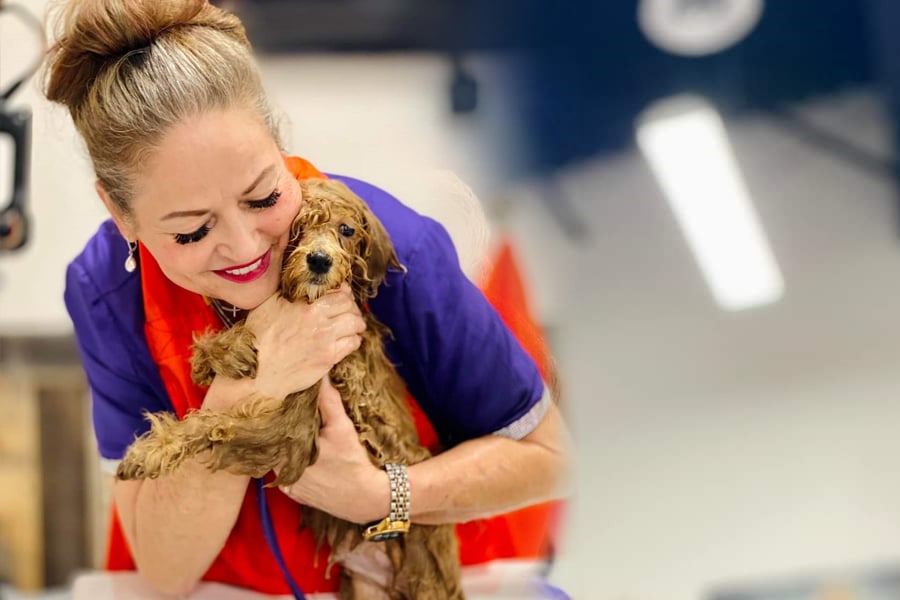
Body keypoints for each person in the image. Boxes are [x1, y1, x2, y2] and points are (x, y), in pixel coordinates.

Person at [44, 0, 571, 596]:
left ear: (278, 143)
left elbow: (547, 456)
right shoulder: (106, 290)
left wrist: (382, 494)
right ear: (120, 214)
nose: (245, 247)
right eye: (192, 230)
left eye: (264, 197)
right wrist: (250, 390)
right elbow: (164, 571)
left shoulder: (390, 249)